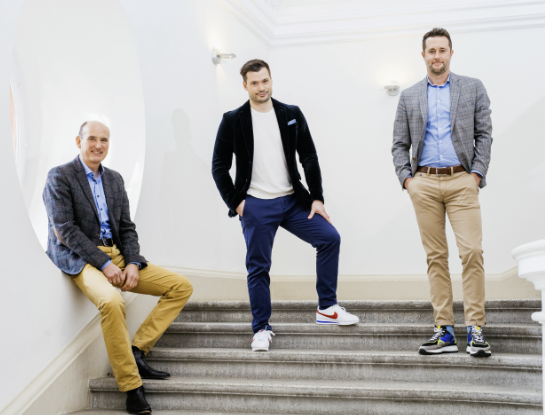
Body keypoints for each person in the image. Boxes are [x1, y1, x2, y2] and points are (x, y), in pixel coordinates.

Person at [43, 121, 194, 413]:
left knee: (180, 286)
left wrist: (133, 263)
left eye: (104, 140)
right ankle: (131, 387)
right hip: (82, 258)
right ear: (79, 142)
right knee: (112, 301)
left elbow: (126, 228)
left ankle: (136, 350)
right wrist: (103, 263)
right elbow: (65, 231)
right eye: (92, 139)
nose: (98, 145)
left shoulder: (114, 179)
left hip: (118, 254)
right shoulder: (60, 176)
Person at [212, 59, 359, 352]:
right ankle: (261, 329)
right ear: (245, 85)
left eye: (265, 81)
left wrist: (317, 197)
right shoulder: (233, 119)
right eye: (254, 83)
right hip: (256, 204)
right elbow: (219, 166)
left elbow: (309, 157)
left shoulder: (291, 114)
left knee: (329, 238)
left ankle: (327, 308)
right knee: (259, 267)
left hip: (293, 200)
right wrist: (238, 203)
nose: (261, 87)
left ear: (271, 80)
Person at [392, 28, 493, 357]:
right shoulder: (409, 96)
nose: (437, 56)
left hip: (462, 180)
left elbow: (484, 135)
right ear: (423, 55)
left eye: (442, 50)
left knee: (472, 253)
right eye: (431, 51)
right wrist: (408, 181)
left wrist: (476, 175)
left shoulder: (473, 87)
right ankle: (445, 331)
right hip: (424, 183)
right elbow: (399, 144)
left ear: (451, 53)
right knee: (435, 257)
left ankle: (475, 329)